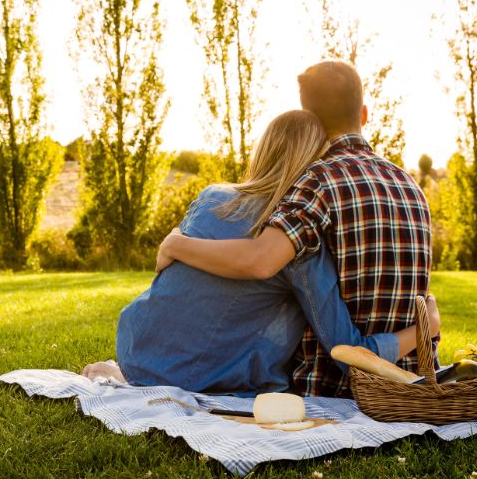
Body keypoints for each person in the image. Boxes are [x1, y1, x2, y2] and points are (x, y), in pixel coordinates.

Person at [82, 109, 439, 395]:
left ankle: (127, 375)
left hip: (135, 344)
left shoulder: (212, 197)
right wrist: (424, 330)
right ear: (316, 165)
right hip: (198, 376)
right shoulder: (295, 243)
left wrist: (176, 243)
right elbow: (347, 352)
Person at [156, 61, 434, 398]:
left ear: (310, 121)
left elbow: (260, 261)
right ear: (363, 115)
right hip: (412, 378)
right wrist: (425, 328)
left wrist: (174, 245)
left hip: (335, 386)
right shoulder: (410, 185)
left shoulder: (317, 180)